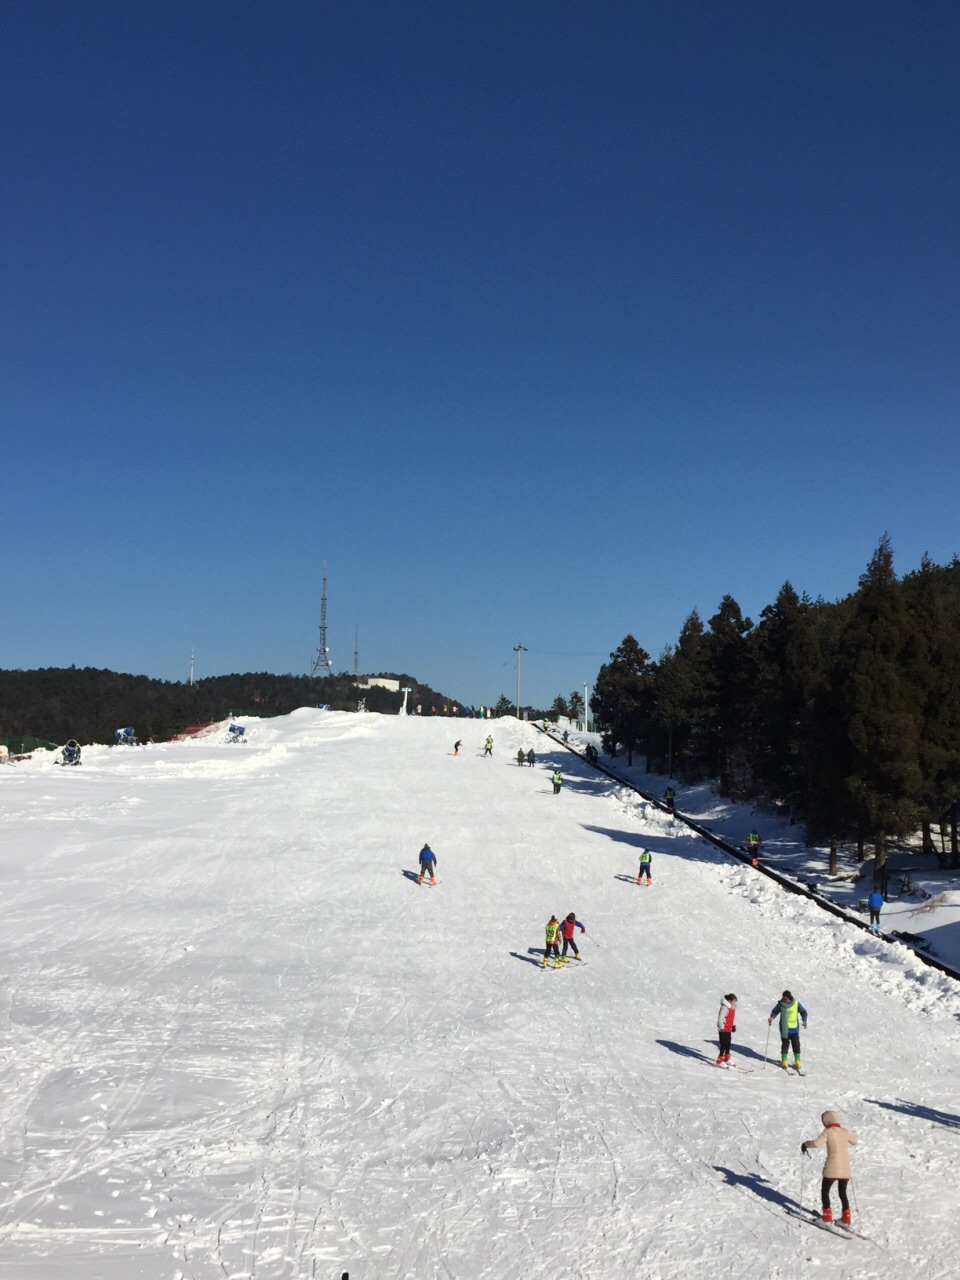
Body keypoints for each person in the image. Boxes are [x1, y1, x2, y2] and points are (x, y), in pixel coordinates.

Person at [801, 1110, 858, 1225]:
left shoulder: (828, 1132)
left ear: (825, 1121)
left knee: (825, 1192)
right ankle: (846, 1220)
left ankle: (826, 1218)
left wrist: (805, 1144)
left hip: (832, 1167)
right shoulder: (844, 1132)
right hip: (845, 1169)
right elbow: (855, 1141)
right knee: (843, 1193)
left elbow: (816, 1144)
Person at [768, 990, 808, 1071]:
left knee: (796, 1045)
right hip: (785, 1028)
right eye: (783, 998)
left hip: (794, 1029)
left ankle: (797, 1060)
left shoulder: (796, 1003)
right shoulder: (780, 1004)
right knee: (785, 1044)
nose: (784, 1000)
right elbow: (775, 1011)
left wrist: (804, 1020)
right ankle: (784, 1060)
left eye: (785, 999)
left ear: (790, 998)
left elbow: (803, 1012)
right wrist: (772, 1017)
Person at [716, 993, 737, 1065]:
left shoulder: (732, 1008)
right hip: (723, 1028)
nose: (735, 1002)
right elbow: (721, 1018)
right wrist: (721, 1028)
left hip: (728, 1028)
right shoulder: (725, 1007)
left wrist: (733, 1025)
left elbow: (731, 1018)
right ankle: (720, 1059)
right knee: (723, 1044)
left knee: (728, 1044)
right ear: (730, 1001)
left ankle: (727, 1058)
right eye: (734, 1001)